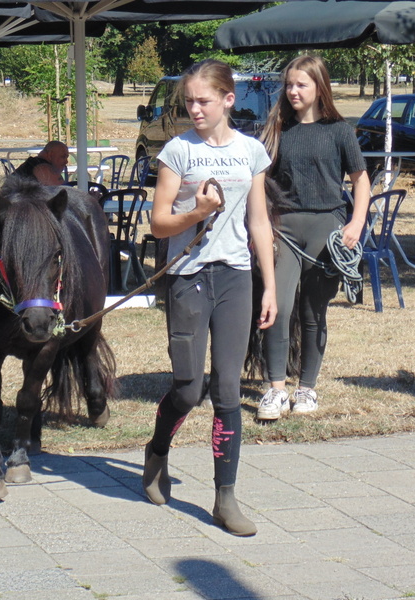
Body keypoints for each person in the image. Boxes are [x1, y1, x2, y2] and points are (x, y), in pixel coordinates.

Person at [141, 59, 277, 537]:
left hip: (235, 277)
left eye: (203, 101)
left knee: (226, 390)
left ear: (228, 100)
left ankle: (225, 498)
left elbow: (259, 222)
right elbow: (159, 224)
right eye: (189, 102)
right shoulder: (177, 151)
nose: (194, 109)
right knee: (186, 388)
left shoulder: (251, 151)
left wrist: (269, 286)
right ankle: (157, 450)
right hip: (188, 277)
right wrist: (196, 213)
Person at [255, 55, 370, 421]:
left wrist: (356, 223)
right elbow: (259, 181)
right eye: (289, 84)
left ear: (320, 88)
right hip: (284, 229)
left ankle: (306, 388)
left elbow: (361, 180)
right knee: (277, 306)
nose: (293, 91)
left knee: (312, 311)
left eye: (301, 85)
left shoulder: (340, 131)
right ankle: (276, 389)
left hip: (327, 228)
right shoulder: (277, 129)